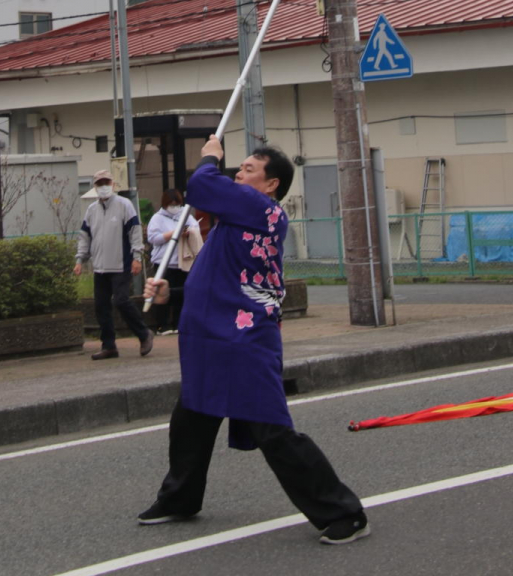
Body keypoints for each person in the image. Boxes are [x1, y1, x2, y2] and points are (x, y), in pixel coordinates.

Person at [138, 135, 369, 547]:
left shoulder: (262, 210)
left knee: (273, 431)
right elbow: (219, 279)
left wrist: (209, 157)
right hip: (213, 335)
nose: (238, 173)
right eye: (238, 167)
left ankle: (343, 512)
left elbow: (202, 187)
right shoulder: (237, 221)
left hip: (243, 339)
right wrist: (167, 295)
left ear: (271, 184)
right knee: (191, 418)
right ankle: (180, 498)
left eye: (248, 169)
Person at [73, 169, 154, 361]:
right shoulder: (91, 210)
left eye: (106, 182)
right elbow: (85, 236)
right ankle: (108, 345)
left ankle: (144, 334)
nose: (103, 186)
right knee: (101, 306)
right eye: (99, 183)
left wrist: (136, 257)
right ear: (94, 187)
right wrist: (80, 260)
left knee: (121, 300)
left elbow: (134, 232)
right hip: (100, 266)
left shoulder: (124, 205)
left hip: (121, 264)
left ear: (113, 184)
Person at [146, 188, 199, 334]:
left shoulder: (185, 215)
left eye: (177, 204)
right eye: (171, 204)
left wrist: (188, 231)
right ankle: (162, 325)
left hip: (182, 262)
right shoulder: (157, 218)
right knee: (162, 294)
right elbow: (153, 238)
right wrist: (173, 234)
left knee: (180, 294)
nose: (174, 207)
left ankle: (178, 324)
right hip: (163, 262)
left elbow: (195, 227)